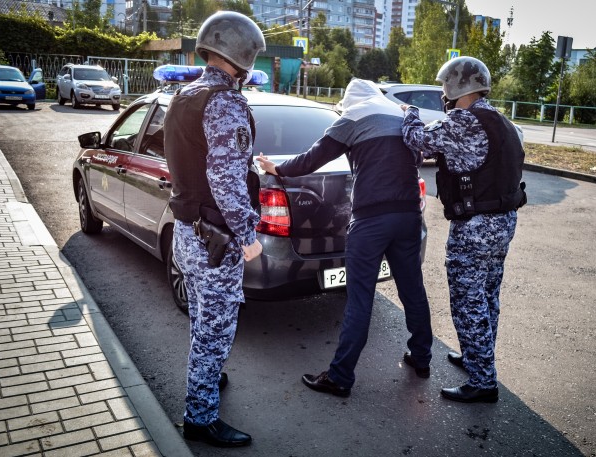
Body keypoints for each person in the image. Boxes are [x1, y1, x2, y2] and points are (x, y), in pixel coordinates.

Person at [257, 78, 433, 397]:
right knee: (412, 288)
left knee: (359, 297)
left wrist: (276, 168)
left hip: (371, 219)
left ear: (347, 101)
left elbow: (312, 159)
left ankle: (340, 376)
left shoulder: (352, 117)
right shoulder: (399, 114)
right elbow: (417, 160)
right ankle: (422, 358)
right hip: (408, 215)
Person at [163, 11, 265, 447]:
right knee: (215, 327)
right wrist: (247, 237)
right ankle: (200, 418)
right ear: (241, 57)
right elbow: (226, 180)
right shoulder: (224, 102)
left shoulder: (184, 95)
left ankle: (206, 379)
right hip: (216, 239)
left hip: (188, 231)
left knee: (203, 319)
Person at [400, 56, 526, 404]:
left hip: (475, 226)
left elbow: (417, 140)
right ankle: (477, 357)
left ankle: (484, 381)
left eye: (445, 86)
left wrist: (409, 112)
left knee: (468, 301)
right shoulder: (503, 120)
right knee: (487, 296)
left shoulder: (462, 120)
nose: (443, 93)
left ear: (458, 86)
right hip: (503, 222)